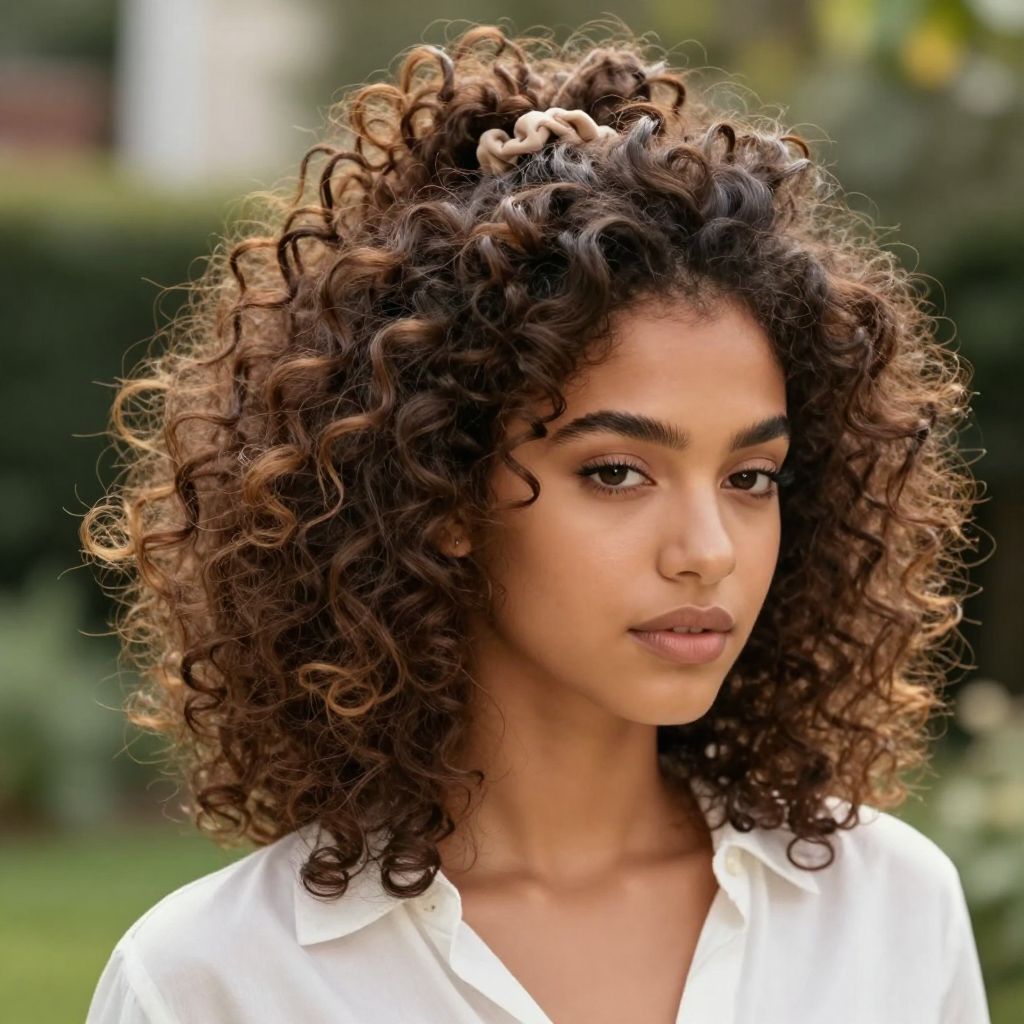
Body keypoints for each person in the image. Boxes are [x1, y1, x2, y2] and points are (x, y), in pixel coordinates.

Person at [81, 19, 990, 1024]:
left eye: (751, 475)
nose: (708, 551)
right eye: (614, 472)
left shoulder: (886, 912)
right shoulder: (220, 979)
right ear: (442, 491)